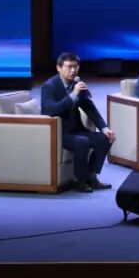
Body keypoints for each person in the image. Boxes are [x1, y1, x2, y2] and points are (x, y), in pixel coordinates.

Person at [40, 52, 116, 193]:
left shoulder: (77, 84)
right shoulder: (49, 86)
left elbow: (90, 109)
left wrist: (104, 128)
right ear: (59, 68)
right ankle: (79, 180)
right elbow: (49, 110)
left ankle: (91, 177)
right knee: (82, 142)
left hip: (77, 130)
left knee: (105, 138)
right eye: (69, 67)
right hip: (58, 133)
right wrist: (73, 95)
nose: (73, 70)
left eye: (75, 67)